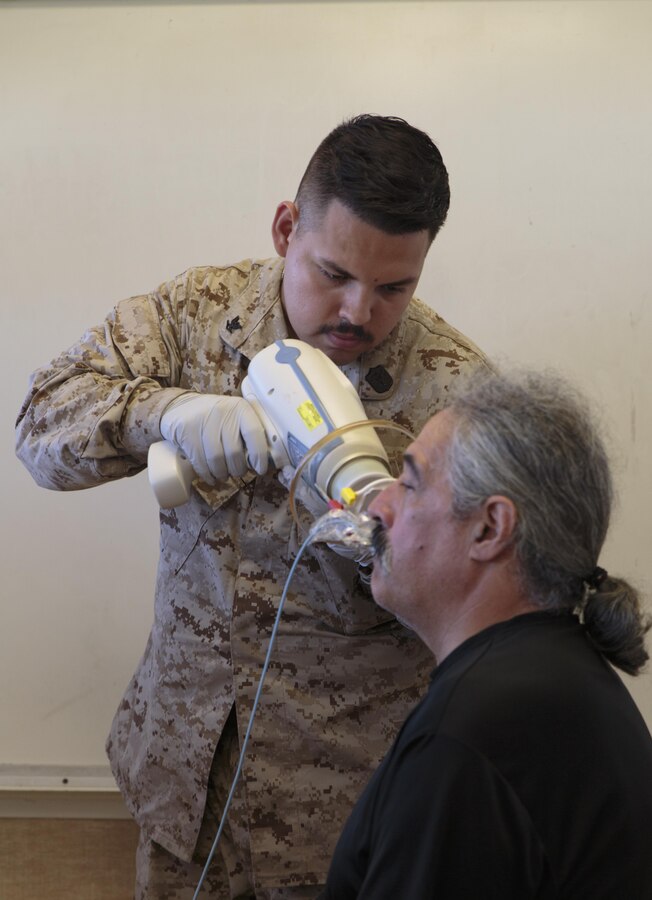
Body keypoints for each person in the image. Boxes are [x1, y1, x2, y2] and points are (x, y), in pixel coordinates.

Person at [15, 115, 489, 898]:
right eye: (333, 272)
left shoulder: (455, 391)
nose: (359, 312)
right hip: (184, 783)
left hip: (343, 812)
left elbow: (486, 606)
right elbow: (39, 427)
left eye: (394, 287)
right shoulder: (194, 314)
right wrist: (165, 414)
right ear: (285, 228)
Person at [322, 369, 652, 900]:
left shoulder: (468, 734)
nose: (378, 506)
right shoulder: (561, 672)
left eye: (408, 483)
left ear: (489, 529)